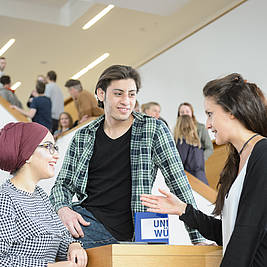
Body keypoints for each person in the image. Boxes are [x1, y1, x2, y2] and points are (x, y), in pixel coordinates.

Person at [50, 65, 205, 249]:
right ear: (101, 94)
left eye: (131, 94)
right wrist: (63, 209)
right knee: (48, 230)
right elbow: (63, 185)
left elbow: (179, 184)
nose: (126, 101)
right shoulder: (83, 136)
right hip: (92, 225)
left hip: (140, 228)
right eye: (118, 94)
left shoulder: (153, 129)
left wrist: (198, 238)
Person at [141, 73, 267, 267]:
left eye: (210, 114)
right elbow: (228, 233)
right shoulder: (238, 159)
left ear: (231, 111)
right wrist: (183, 210)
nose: (207, 124)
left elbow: (247, 233)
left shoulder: (263, 153)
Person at [0, 122, 87, 266]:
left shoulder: (40, 196)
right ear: (26, 153)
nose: (57, 155)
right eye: (48, 147)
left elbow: (61, 235)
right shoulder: (5, 199)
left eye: (55, 148)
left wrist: (73, 246)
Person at [174, 115, 208, 185]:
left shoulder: (182, 143)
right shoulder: (197, 142)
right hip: (202, 179)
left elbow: (179, 163)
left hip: (191, 181)